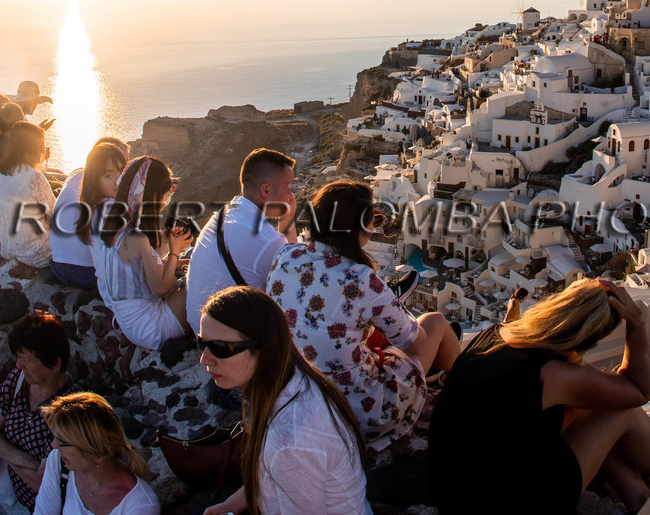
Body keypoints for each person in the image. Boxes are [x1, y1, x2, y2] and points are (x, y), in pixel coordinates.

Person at [429, 278, 650, 515]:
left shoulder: (498, 332)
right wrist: (636, 323)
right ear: (589, 340)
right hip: (509, 503)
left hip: (452, 487)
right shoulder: (554, 374)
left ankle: (639, 497)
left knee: (599, 401)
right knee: (621, 409)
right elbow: (640, 391)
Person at [265, 180, 459, 446]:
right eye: (372, 220)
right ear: (361, 230)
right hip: (355, 411)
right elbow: (414, 342)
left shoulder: (285, 255)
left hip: (294, 399)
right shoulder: (360, 279)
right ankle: (463, 388)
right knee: (435, 323)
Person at [197, 285, 370, 515]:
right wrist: (231, 505)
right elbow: (271, 473)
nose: (204, 359)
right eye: (202, 343)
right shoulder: (291, 379)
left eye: (220, 347)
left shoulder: (289, 439)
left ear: (263, 349)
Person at [185, 148, 298, 333]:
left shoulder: (223, 215)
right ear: (266, 190)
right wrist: (288, 221)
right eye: (287, 185)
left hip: (199, 326)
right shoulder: (266, 240)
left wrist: (286, 218)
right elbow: (295, 276)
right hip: (228, 340)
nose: (290, 194)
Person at [0, 311, 80, 511]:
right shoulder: (18, 380)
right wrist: (21, 459)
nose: (19, 364)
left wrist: (3, 449)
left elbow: (41, 482)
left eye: (27, 359)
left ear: (55, 364)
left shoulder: (68, 410)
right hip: (21, 499)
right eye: (19, 357)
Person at [92, 158, 193, 349]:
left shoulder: (116, 226)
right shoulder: (137, 238)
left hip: (133, 325)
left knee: (194, 272)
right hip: (152, 328)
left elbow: (143, 271)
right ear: (152, 197)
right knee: (201, 283)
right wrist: (175, 252)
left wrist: (177, 256)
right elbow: (161, 288)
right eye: (165, 194)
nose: (167, 200)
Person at [35, 392, 159, 515]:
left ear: (96, 453)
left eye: (62, 442)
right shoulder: (59, 462)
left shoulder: (140, 506)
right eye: (55, 437)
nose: (54, 445)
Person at [50, 138, 128, 289]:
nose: (118, 181)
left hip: (57, 265)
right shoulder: (108, 205)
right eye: (109, 174)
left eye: (122, 170)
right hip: (85, 272)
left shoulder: (77, 177)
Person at [0, 122, 57, 269]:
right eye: (41, 145)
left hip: (8, 245)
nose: (42, 148)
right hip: (33, 252)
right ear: (33, 147)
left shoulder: (2, 171)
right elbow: (54, 214)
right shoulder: (34, 176)